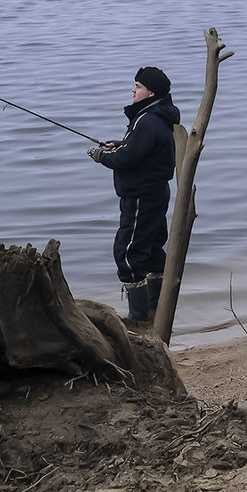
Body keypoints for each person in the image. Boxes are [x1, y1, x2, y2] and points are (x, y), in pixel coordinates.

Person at [88, 67, 180, 321]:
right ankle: (155, 314)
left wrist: (102, 156)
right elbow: (144, 149)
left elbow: (128, 159)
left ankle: (138, 319)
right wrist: (121, 143)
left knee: (128, 254)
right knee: (150, 250)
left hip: (141, 196)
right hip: (154, 193)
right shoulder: (157, 115)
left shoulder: (147, 119)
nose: (133, 90)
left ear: (150, 92)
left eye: (137, 86)